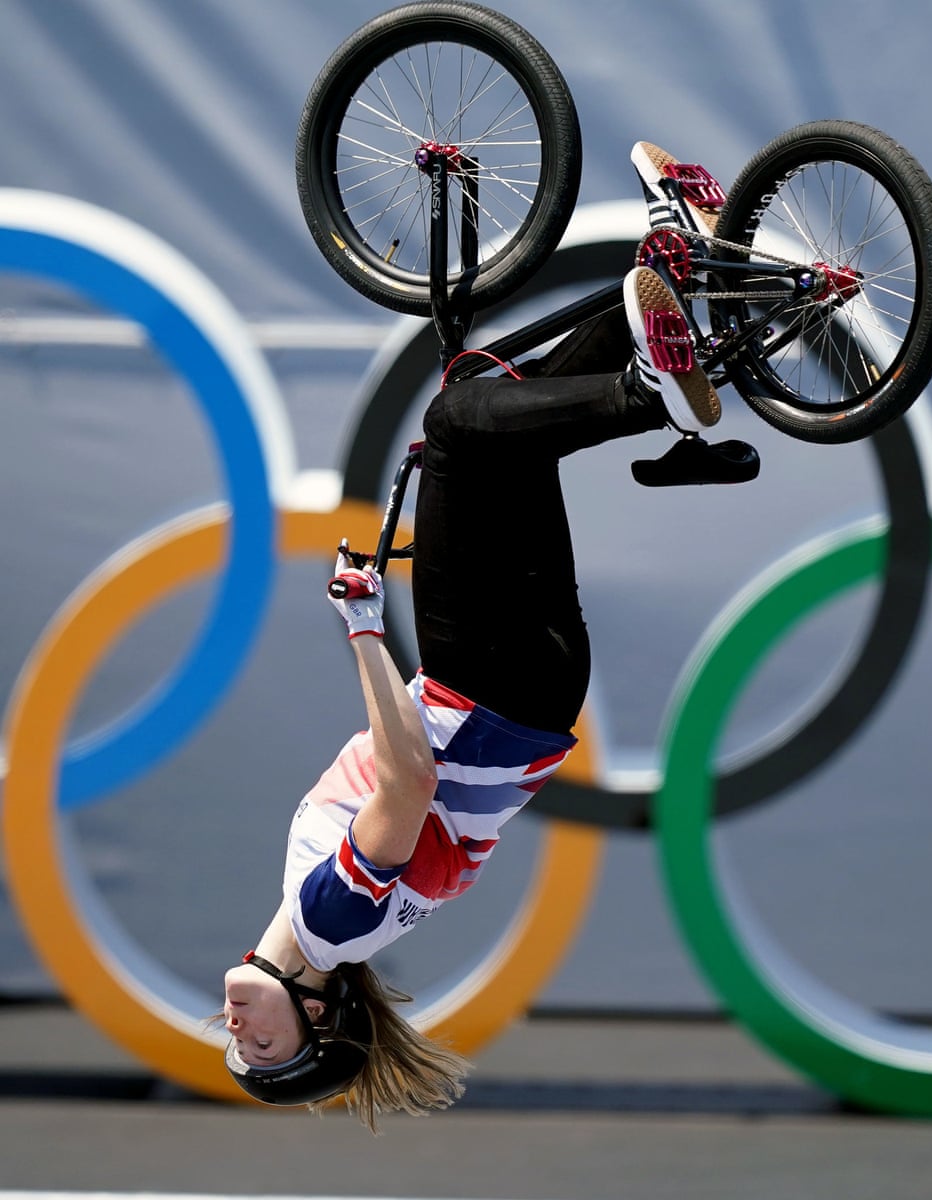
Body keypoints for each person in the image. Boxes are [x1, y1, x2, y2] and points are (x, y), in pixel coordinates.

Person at [220, 145, 757, 1132]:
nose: (236, 1034)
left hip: (532, 692)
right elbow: (408, 780)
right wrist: (365, 632)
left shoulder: (331, 922)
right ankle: (655, 395)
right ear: (321, 1017)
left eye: (238, 1051)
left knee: (515, 425)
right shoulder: (328, 924)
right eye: (265, 1048)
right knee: (464, 424)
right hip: (488, 685)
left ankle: (692, 268)